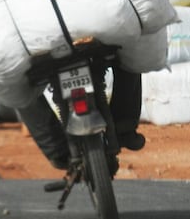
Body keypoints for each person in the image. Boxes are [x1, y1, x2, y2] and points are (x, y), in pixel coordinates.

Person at [17, 65, 145, 170]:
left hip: (45, 51)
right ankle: (125, 129)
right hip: (91, 44)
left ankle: (55, 149)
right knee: (130, 62)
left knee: (16, 84)